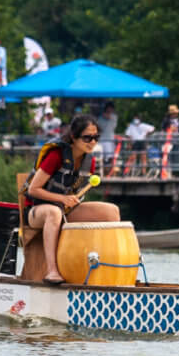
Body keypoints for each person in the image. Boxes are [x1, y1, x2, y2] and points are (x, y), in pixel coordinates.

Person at [20, 115, 121, 285]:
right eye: (87, 137)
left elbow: (76, 192)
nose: (92, 142)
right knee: (53, 212)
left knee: (112, 212)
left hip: (64, 210)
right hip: (37, 212)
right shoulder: (56, 155)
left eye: (96, 138)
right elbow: (33, 190)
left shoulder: (90, 161)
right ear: (74, 137)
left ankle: (106, 270)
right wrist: (62, 198)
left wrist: (74, 199)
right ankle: (52, 272)